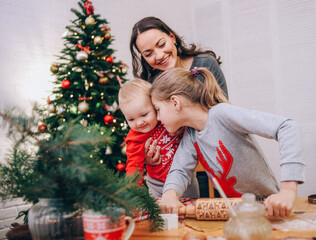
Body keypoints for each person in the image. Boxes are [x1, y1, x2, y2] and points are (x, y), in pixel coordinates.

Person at [150, 67, 305, 218]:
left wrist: (288, 191)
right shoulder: (191, 134)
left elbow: (287, 127)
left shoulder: (221, 114)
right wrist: (169, 194)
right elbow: (180, 171)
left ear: (175, 103)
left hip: (268, 208)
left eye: (158, 109)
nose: (157, 118)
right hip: (238, 212)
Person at [130, 16, 229, 165]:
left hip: (217, 150)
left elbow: (223, 111)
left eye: (161, 44)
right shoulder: (152, 86)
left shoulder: (205, 63)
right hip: (180, 161)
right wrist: (147, 156)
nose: (159, 55)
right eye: (148, 54)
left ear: (172, 37)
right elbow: (149, 128)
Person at [118, 78, 199, 198]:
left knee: (188, 213)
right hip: (156, 184)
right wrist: (133, 194)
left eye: (144, 115)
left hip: (185, 180)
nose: (139, 123)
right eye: (131, 119)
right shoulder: (135, 138)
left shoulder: (167, 120)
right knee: (158, 215)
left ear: (155, 106)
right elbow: (133, 168)